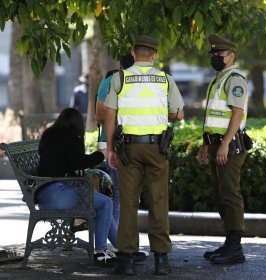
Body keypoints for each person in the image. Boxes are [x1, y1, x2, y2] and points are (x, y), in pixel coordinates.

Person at [104, 35, 184, 275]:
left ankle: (127, 261)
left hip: (128, 148)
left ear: (133, 52)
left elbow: (110, 115)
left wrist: (110, 148)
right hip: (157, 148)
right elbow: (178, 114)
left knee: (128, 202)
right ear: (155, 55)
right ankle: (161, 261)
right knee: (158, 201)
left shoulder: (120, 78)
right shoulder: (165, 79)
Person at [36, 107, 118, 266]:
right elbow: (79, 162)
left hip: (43, 194)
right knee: (106, 203)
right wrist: (101, 154)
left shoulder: (49, 134)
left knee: (101, 203)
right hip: (58, 194)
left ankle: (121, 248)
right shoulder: (72, 138)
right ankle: (101, 251)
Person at [196, 34, 249, 265]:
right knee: (221, 194)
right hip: (217, 142)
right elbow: (214, 117)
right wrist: (206, 145)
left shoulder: (234, 79)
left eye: (220, 54)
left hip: (231, 145)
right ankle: (229, 242)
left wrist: (225, 143)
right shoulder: (220, 78)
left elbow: (237, 113)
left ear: (231, 56)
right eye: (214, 55)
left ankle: (235, 246)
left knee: (229, 193)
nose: (216, 57)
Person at [96, 54, 135, 223]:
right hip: (132, 143)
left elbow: (99, 116)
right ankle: (117, 235)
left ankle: (115, 233)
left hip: (108, 142)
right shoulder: (142, 82)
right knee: (125, 191)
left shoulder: (108, 81)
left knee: (118, 190)